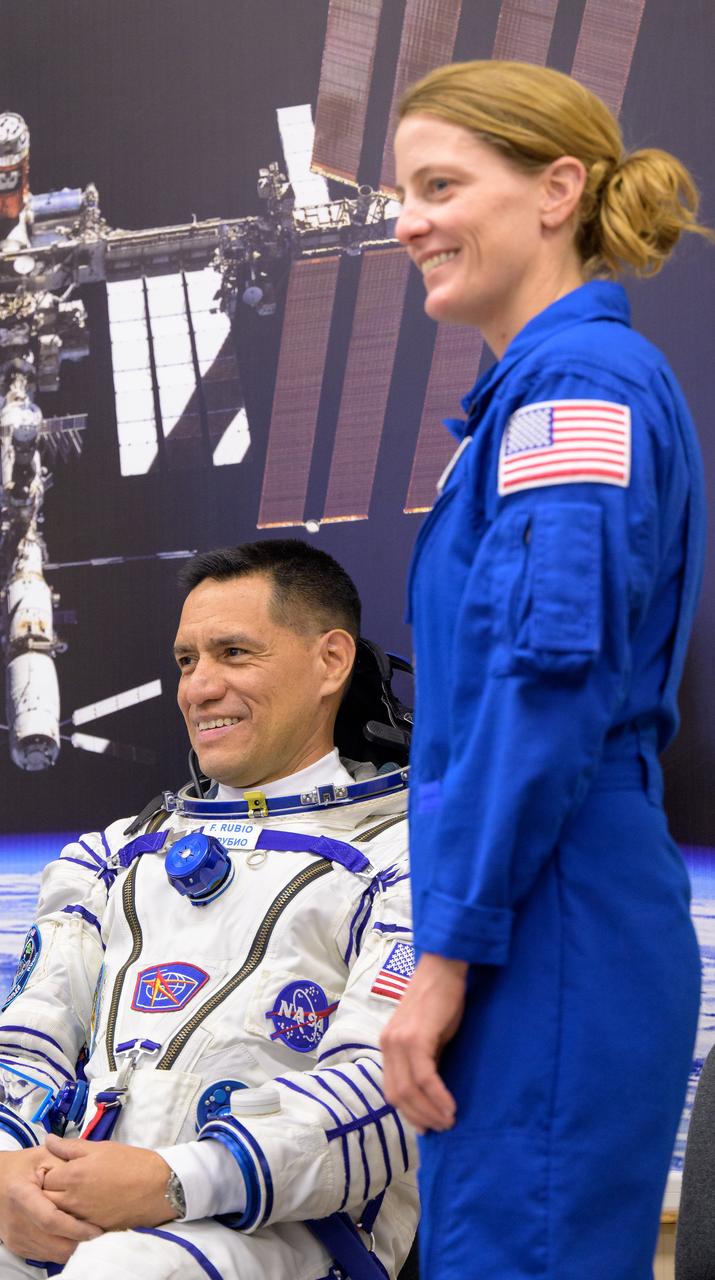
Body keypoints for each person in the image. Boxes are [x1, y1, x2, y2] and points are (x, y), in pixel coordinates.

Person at [0, 539, 418, 1280]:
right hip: (83, 1212)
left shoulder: (405, 855)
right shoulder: (110, 861)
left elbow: (387, 1087)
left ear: (330, 662)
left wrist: (175, 1181)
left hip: (295, 1230)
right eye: (186, 661)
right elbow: (23, 1043)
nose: (200, 688)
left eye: (235, 654)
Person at [379, 59, 710, 1280]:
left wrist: (450, 952)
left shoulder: (576, 387)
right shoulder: (533, 397)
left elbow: (548, 683)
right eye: (402, 193)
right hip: (540, 902)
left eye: (440, 186)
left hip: (552, 909)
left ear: (558, 190)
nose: (405, 222)